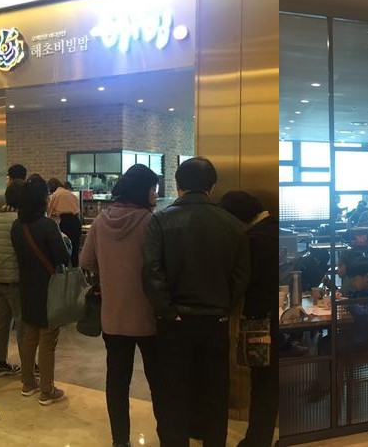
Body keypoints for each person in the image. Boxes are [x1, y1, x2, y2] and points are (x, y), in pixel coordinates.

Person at [141, 157, 249, 446]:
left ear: (178, 185)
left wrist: (167, 310)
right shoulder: (232, 224)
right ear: (212, 187)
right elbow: (241, 275)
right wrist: (224, 306)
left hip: (174, 323)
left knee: (173, 392)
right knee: (215, 391)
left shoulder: (160, 220)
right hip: (216, 321)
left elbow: (151, 270)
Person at [80, 164, 161, 445]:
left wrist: (109, 272)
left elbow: (85, 261)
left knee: (117, 381)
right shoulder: (151, 222)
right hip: (148, 317)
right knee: (158, 381)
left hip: (113, 317)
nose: (155, 194)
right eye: (153, 189)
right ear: (143, 190)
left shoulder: (100, 221)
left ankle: (120, 440)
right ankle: (167, 435)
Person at [221, 190, 279, 447]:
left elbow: (242, 281)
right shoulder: (276, 228)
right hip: (280, 316)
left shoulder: (255, 240)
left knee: (263, 383)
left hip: (261, 321)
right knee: (271, 381)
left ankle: (257, 440)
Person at [9, 175, 70, 406]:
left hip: (26, 286)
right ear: (41, 200)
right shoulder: (48, 226)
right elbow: (62, 257)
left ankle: (27, 383)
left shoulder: (17, 226)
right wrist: (64, 241)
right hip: (48, 287)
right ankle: (47, 390)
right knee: (47, 338)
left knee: (30, 335)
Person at [0, 165, 27, 378]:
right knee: (22, 323)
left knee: (2, 322)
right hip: (16, 279)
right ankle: (28, 365)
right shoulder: (20, 222)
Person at [50, 177, 83, 264]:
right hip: (76, 221)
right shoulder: (72, 195)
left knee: (65, 248)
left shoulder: (55, 195)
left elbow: (49, 212)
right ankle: (75, 269)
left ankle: (65, 269)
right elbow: (78, 211)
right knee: (75, 249)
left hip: (65, 222)